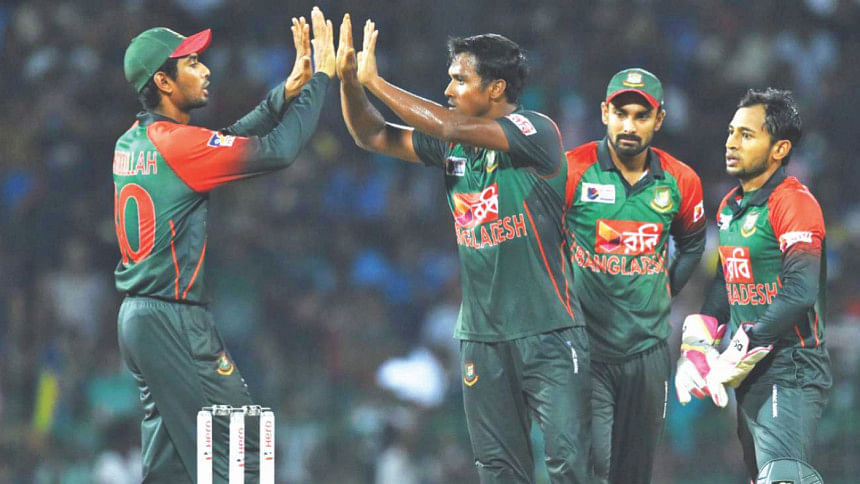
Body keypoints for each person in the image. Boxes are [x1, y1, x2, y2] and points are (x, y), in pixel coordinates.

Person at [335, 15, 591, 483]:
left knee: (568, 466)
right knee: (498, 470)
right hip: (481, 337)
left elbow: (451, 126)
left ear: (496, 88)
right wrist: (352, 83)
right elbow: (370, 134)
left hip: (549, 331)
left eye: (459, 79)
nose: (448, 89)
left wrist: (377, 82)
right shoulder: (454, 151)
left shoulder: (536, 131)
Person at [113, 7, 335, 482]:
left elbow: (222, 142)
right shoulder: (179, 145)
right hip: (175, 318)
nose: (206, 69)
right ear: (164, 81)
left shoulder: (133, 142)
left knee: (171, 466)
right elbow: (279, 151)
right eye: (192, 63)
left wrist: (285, 92)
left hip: (137, 319)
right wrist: (322, 80)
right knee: (244, 442)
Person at [675, 88, 831, 480]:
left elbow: (800, 290)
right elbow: (727, 280)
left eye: (746, 135)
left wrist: (749, 340)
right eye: (731, 132)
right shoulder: (730, 206)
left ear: (779, 149)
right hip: (748, 372)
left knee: (782, 476)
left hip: (792, 366)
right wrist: (701, 337)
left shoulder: (794, 203)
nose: (731, 142)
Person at [563, 68, 706, 483]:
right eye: (621, 113)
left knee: (634, 472)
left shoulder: (681, 180)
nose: (629, 125)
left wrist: (664, 290)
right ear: (604, 114)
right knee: (595, 463)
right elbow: (542, 240)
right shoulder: (572, 170)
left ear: (658, 119)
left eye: (641, 116)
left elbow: (692, 245)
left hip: (648, 351)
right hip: (587, 347)